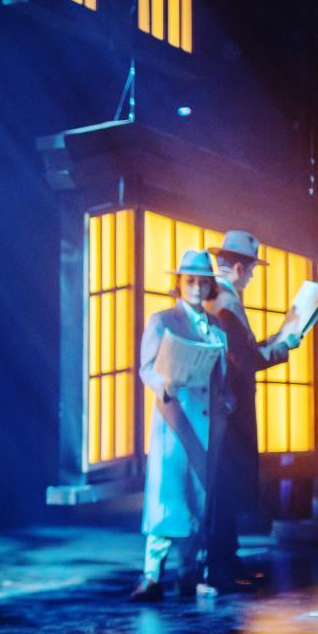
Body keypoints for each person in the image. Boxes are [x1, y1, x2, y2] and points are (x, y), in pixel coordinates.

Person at [131, 249, 231, 601]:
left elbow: (223, 377)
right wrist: (163, 383)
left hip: (207, 426)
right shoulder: (163, 320)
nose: (197, 288)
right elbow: (146, 368)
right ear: (179, 283)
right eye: (191, 281)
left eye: (203, 282)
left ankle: (190, 573)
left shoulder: (217, 328)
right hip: (174, 423)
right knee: (166, 499)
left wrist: (227, 401)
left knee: (200, 502)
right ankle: (152, 575)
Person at [204, 230, 300, 591]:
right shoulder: (226, 303)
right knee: (225, 489)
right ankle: (221, 566)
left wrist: (279, 337)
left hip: (226, 409)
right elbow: (244, 361)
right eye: (253, 270)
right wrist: (284, 345)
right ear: (240, 269)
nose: (253, 277)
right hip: (230, 411)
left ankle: (226, 561)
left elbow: (244, 352)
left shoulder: (222, 299)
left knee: (225, 488)